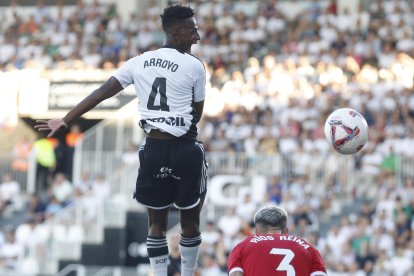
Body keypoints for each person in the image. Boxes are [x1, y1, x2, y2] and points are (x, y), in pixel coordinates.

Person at [34, 4, 207, 276]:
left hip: (153, 148)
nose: (197, 37)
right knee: (190, 220)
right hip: (185, 147)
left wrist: (66, 118)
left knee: (156, 223)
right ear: (175, 33)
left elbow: (103, 91)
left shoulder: (138, 62)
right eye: (192, 31)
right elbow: (196, 113)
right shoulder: (194, 66)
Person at [228, 205, 327, 276]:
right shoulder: (308, 247)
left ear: (256, 231)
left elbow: (236, 274)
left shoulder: (242, 247)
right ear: (287, 231)